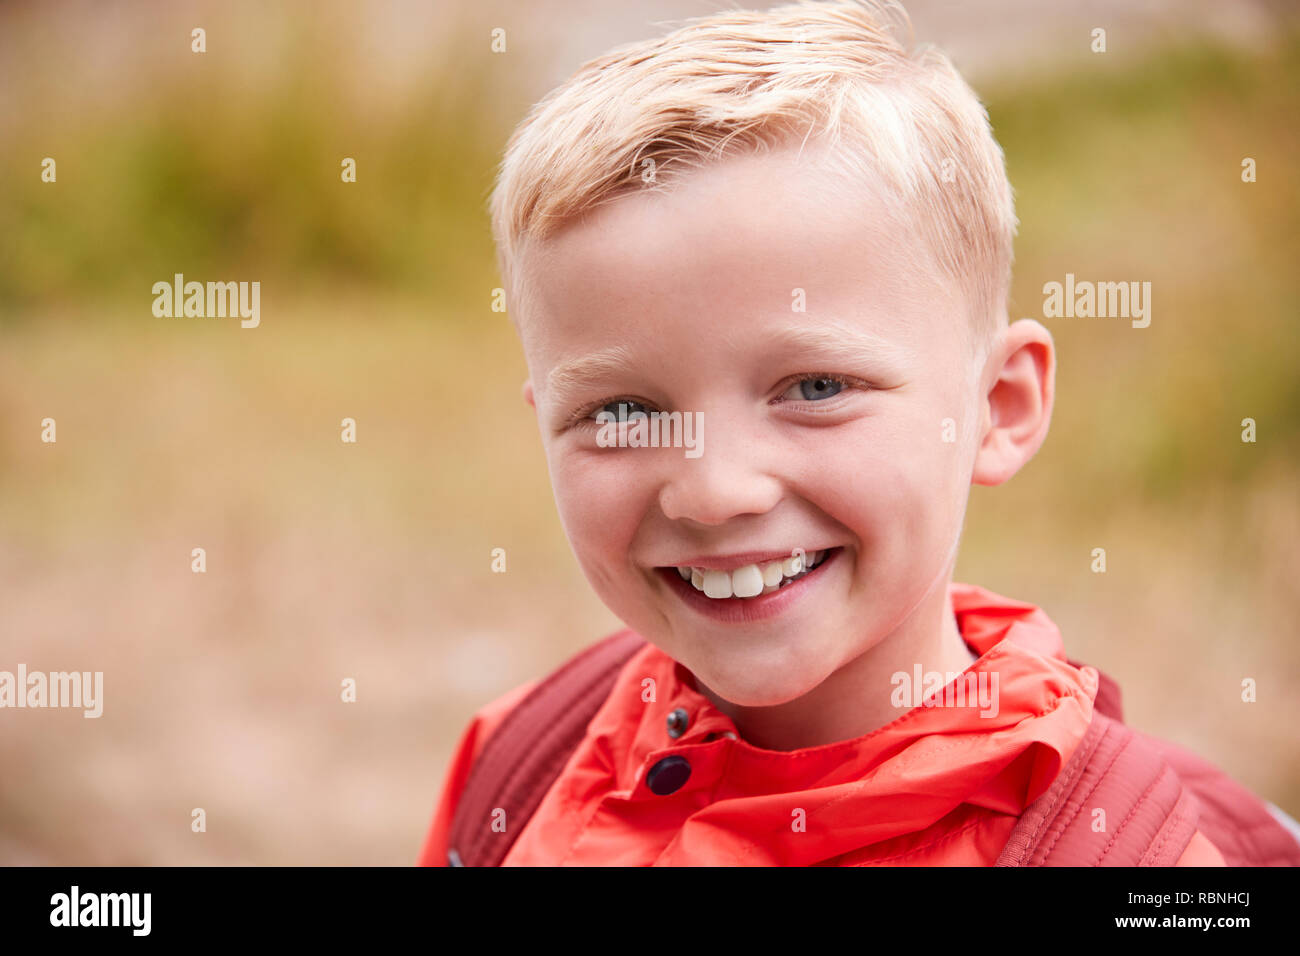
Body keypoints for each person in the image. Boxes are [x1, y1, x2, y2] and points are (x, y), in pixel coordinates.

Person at [417, 0, 1300, 866]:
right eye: (622, 412)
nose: (716, 489)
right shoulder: (521, 770)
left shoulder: (1128, 861)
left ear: (999, 406)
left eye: (816, 386)